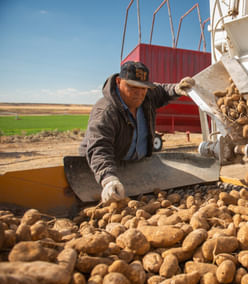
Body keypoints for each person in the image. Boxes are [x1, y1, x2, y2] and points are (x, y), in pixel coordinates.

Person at [79, 61, 195, 204]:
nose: (139, 93)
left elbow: (162, 90)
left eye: (143, 88)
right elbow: (99, 148)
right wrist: (108, 178)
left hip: (134, 167)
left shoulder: (147, 97)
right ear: (118, 81)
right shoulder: (106, 111)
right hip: (100, 171)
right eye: (132, 86)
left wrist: (177, 89)